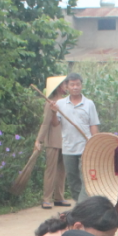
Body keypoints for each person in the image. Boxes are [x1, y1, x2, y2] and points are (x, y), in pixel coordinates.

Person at [54, 72, 100, 202]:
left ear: (81, 86)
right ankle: (82, 206)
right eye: (72, 84)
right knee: (73, 182)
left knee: (86, 179)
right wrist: (53, 112)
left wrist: (95, 145)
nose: (75, 87)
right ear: (66, 86)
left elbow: (93, 125)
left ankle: (80, 208)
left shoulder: (89, 104)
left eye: (78, 84)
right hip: (68, 148)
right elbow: (55, 123)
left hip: (85, 148)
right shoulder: (61, 104)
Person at [35, 75, 70, 210]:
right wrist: (39, 140)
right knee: (51, 170)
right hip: (53, 141)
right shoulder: (51, 103)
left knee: (62, 170)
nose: (67, 87)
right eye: (65, 84)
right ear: (59, 87)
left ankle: (59, 197)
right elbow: (45, 123)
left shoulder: (66, 103)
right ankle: (46, 198)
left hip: (65, 141)